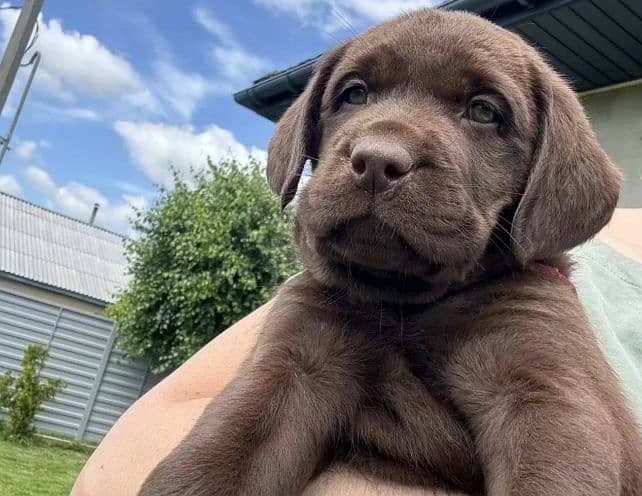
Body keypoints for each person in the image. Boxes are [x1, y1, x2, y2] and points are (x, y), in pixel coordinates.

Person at [72, 209, 642, 496]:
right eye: (353, 95)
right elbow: (221, 447)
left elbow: (556, 442)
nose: (380, 147)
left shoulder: (530, 298)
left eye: (485, 113)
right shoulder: (329, 290)